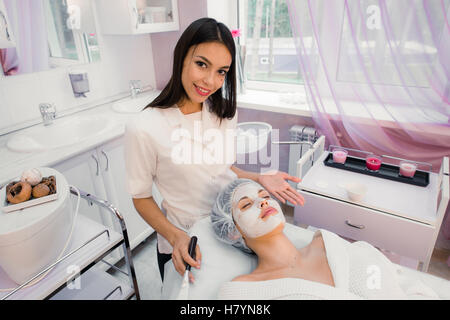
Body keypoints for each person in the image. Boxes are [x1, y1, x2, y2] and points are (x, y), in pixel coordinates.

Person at [124, 17, 305, 283]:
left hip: (233, 227)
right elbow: (140, 198)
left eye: (221, 71)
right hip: (184, 235)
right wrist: (176, 236)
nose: (210, 81)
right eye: (201, 64)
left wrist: (258, 178)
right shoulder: (144, 127)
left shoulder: (224, 112)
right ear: (181, 56)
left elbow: (222, 167)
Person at [211, 178, 440, 299]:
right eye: (247, 204)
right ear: (233, 230)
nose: (263, 202)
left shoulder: (327, 243)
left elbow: (392, 282)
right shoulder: (245, 289)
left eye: (265, 196)